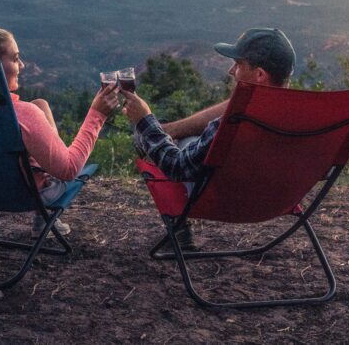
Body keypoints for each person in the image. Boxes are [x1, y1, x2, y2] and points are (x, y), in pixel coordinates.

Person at [0, 26, 120, 238]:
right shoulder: (22, 116)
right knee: (59, 155)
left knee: (41, 104)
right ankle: (44, 216)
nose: (22, 65)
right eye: (15, 58)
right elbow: (69, 170)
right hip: (22, 194)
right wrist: (97, 114)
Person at [120, 28, 296, 247]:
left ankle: (179, 229)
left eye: (239, 64)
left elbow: (177, 166)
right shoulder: (306, 118)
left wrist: (145, 121)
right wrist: (169, 130)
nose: (232, 71)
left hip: (223, 199)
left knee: (160, 140)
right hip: (279, 199)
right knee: (178, 137)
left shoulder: (235, 124)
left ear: (259, 75)